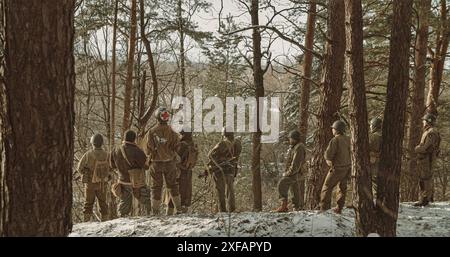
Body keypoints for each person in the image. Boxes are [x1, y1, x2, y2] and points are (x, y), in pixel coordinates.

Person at [144, 107, 181, 215]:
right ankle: (178, 209)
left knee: (156, 187)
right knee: (173, 185)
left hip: (156, 163)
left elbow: (148, 149)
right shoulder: (173, 131)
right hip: (170, 163)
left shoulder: (152, 131)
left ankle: (155, 212)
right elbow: (177, 146)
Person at [110, 130, 151, 216]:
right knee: (145, 199)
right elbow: (146, 167)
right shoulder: (137, 151)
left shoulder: (115, 149)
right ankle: (148, 215)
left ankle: (122, 218)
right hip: (137, 181)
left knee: (124, 201)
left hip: (122, 180)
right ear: (134, 139)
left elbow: (112, 165)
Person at [319, 120, 351, 214]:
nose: (332, 130)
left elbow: (328, 155)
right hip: (347, 168)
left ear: (336, 130)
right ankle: (339, 208)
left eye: (333, 128)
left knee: (326, 187)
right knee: (342, 188)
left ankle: (324, 209)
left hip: (337, 168)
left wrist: (328, 160)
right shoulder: (348, 139)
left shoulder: (335, 140)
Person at [207, 127, 242, 213]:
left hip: (220, 171)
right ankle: (232, 209)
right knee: (230, 190)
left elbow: (210, 155)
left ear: (224, 134)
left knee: (220, 191)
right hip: (231, 170)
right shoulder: (238, 144)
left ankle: (223, 211)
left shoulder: (222, 144)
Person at [77, 134, 110, 222]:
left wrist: (85, 172)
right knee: (103, 203)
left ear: (92, 143)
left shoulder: (88, 154)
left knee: (88, 204)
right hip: (103, 183)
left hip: (90, 183)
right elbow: (111, 169)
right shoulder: (107, 155)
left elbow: (79, 168)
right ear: (102, 143)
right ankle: (105, 222)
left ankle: (86, 223)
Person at [166, 128, 199, 215]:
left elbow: (175, 158)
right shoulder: (193, 145)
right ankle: (183, 212)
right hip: (188, 171)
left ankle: (170, 213)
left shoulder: (182, 145)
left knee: (175, 191)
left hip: (179, 170)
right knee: (186, 192)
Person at [274, 130, 307, 212]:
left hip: (295, 173)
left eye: (291, 138)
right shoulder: (295, 147)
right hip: (295, 172)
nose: (289, 140)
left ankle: (283, 206)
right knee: (294, 189)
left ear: (294, 139)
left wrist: (287, 173)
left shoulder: (299, 147)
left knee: (282, 183)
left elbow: (295, 164)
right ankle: (297, 207)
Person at [414, 113, 441, 207]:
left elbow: (427, 147)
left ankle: (425, 199)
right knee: (424, 178)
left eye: (424, 120)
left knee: (425, 179)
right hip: (425, 159)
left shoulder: (431, 132)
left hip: (427, 159)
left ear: (428, 121)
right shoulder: (429, 131)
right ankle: (425, 198)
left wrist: (417, 149)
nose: (423, 121)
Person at [369, 117, 382, 199]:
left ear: (374, 126)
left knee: (375, 184)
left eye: (371, 125)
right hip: (382, 162)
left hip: (374, 162)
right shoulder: (384, 135)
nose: (370, 126)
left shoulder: (373, 137)